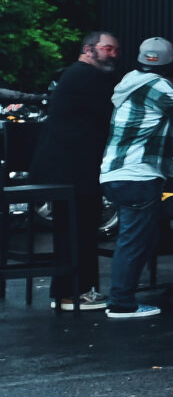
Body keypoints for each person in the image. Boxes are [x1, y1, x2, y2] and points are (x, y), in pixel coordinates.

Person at [96, 36, 173, 320]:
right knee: (133, 240)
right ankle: (121, 303)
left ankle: (122, 297)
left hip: (115, 173)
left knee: (135, 237)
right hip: (138, 175)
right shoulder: (158, 87)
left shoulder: (131, 81)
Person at [37, 30, 120, 311]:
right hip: (72, 167)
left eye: (114, 50)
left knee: (77, 227)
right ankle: (73, 292)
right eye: (107, 49)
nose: (113, 54)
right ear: (88, 49)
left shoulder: (79, 75)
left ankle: (73, 291)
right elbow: (113, 112)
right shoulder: (87, 77)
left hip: (70, 165)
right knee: (78, 227)